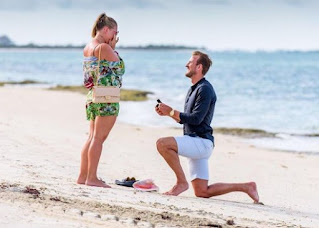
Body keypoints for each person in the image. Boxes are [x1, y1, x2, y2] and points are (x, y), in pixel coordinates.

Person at [155, 51, 259, 202]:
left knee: (162, 144)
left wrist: (171, 111)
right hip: (197, 143)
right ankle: (247, 187)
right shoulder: (193, 89)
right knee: (202, 191)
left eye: (190, 62)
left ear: (199, 67)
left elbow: (196, 119)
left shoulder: (205, 89)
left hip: (201, 143)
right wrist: (168, 113)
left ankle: (181, 182)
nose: (186, 64)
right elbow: (190, 120)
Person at [77, 13, 125, 188]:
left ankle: (83, 176)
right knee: (98, 139)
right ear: (106, 30)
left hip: (93, 95)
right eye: (114, 32)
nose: (115, 36)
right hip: (106, 96)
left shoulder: (88, 47)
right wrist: (113, 48)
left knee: (91, 137)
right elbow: (120, 68)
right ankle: (92, 178)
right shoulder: (104, 48)